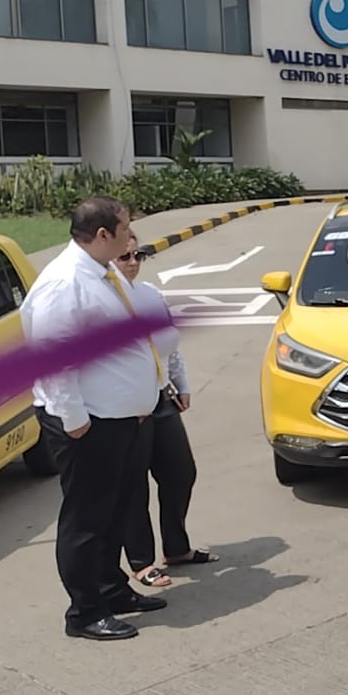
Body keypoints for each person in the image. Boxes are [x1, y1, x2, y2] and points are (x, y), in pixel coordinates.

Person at [21, 197, 167, 641]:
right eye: (125, 228)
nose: (131, 237)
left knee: (116, 509)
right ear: (103, 234)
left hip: (119, 419)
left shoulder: (102, 274)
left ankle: (111, 589)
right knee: (86, 520)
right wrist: (74, 419)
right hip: (89, 423)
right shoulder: (65, 284)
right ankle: (84, 612)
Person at [115, 236, 218, 589]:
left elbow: (169, 345)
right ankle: (142, 562)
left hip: (159, 396)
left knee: (180, 472)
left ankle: (177, 547)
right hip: (125, 406)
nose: (132, 262)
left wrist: (181, 382)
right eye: (123, 256)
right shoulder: (105, 303)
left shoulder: (150, 295)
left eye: (137, 255)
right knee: (133, 486)